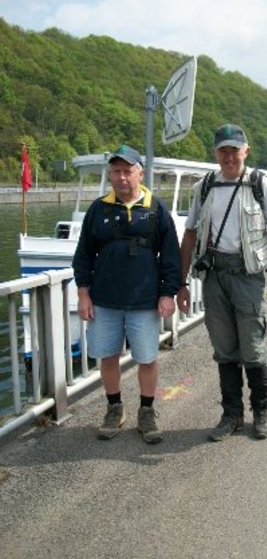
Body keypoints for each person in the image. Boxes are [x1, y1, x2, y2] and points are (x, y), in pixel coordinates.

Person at [177, 124, 267, 442]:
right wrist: (180, 284)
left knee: (253, 349)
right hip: (214, 277)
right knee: (224, 349)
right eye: (223, 150)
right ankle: (231, 415)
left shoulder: (259, 184)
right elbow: (189, 236)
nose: (229, 156)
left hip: (247, 276)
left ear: (246, 151)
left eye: (234, 150)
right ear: (215, 153)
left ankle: (261, 411)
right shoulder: (205, 187)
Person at [72, 144, 182, 442]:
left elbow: (171, 257)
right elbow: (83, 256)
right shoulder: (98, 209)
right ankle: (114, 408)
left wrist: (167, 293)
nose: (122, 177)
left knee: (147, 358)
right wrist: (83, 294)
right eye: (116, 171)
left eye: (127, 171)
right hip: (104, 300)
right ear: (111, 174)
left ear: (140, 173)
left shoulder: (156, 209)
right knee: (107, 357)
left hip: (144, 301)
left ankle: (146, 412)